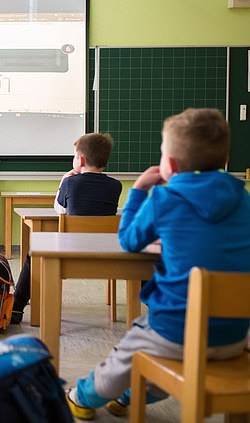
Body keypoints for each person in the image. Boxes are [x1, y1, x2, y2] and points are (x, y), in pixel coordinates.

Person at [66, 108, 250, 420]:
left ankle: (81, 397)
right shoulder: (243, 198)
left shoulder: (164, 198)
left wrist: (138, 191)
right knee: (170, 355)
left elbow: (128, 240)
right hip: (234, 335)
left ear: (171, 165)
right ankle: (129, 397)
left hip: (174, 329)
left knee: (127, 355)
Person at [11, 133, 122, 324]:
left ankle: (16, 309)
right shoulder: (115, 186)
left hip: (70, 253)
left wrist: (63, 181)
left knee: (33, 253)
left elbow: (59, 209)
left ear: (81, 160)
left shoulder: (70, 182)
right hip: (106, 252)